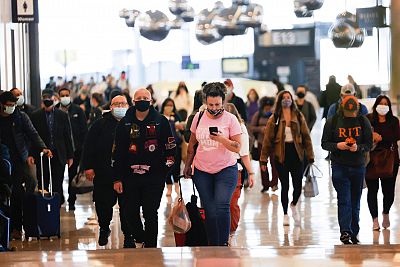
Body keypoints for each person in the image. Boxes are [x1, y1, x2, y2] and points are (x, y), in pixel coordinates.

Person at [113, 88, 176, 248]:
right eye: (139, 98)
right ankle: (140, 237)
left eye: (145, 98)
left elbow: (170, 149)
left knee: (150, 212)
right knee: (130, 212)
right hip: (129, 177)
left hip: (153, 177)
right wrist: (117, 178)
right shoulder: (124, 123)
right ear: (133, 102)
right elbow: (118, 152)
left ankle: (151, 248)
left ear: (151, 101)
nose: (142, 100)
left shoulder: (161, 121)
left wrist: (163, 172)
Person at [183, 82, 242, 246]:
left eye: (217, 104)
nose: (214, 107)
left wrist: (221, 139)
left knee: (222, 205)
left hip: (226, 169)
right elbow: (192, 145)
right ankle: (213, 245)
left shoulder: (231, 119)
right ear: (205, 102)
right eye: (210, 104)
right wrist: (187, 166)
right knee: (209, 210)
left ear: (223, 101)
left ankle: (222, 244)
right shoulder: (198, 117)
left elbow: (238, 147)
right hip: (202, 170)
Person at [321, 95, 373, 244]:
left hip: (358, 166)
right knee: (344, 199)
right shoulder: (333, 122)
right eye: (348, 113)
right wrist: (338, 145)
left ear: (357, 109)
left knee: (355, 201)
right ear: (342, 109)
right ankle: (345, 231)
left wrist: (359, 148)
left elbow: (369, 144)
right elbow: (324, 143)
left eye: (353, 112)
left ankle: (354, 232)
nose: (351, 115)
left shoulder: (363, 121)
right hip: (339, 166)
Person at [0, 91, 51, 240]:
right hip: (2, 160)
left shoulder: (21, 116)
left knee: (16, 193)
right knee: (3, 194)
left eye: (14, 105)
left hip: (17, 160)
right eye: (9, 106)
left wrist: (43, 147)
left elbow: (32, 133)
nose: (12, 108)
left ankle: (16, 227)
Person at [83, 95, 132, 246]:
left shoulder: (132, 123)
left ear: (128, 106)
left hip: (127, 173)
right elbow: (88, 146)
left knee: (128, 206)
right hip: (104, 172)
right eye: (116, 104)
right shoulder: (100, 124)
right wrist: (88, 167)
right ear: (110, 107)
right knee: (103, 204)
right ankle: (104, 228)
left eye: (123, 104)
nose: (120, 106)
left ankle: (128, 236)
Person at [260, 91, 314, 226]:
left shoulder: (298, 115)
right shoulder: (275, 118)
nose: (286, 100)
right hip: (281, 156)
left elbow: (306, 136)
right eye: (283, 98)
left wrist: (311, 155)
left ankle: (293, 204)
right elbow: (267, 140)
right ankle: (284, 214)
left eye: (288, 97)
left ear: (292, 99)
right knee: (285, 186)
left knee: (297, 185)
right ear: (279, 100)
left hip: (297, 154)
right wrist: (263, 159)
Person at [30, 89, 74, 206]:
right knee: (43, 182)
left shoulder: (62, 115)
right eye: (46, 101)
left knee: (57, 182)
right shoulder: (35, 116)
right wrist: (32, 154)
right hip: (42, 155)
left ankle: (56, 206)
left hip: (59, 153)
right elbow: (32, 137)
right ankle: (43, 205)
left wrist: (70, 156)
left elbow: (67, 136)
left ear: (55, 101)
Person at [365, 95, 400, 230]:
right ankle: (374, 219)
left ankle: (386, 212)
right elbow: (362, 134)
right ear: (376, 105)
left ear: (389, 107)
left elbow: (396, 136)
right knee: (372, 191)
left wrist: (380, 137)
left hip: (390, 160)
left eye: (386, 104)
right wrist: (371, 136)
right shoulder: (368, 119)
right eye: (381, 103)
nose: (383, 106)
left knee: (389, 192)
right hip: (371, 160)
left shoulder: (394, 121)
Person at [224, 103, 254, 241]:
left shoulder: (241, 129)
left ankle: (231, 233)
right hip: (215, 168)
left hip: (235, 169)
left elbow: (244, 154)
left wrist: (251, 173)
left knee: (232, 203)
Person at [57, 87, 88, 210]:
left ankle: (72, 201)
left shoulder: (78, 110)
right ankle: (59, 199)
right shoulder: (56, 110)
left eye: (66, 95)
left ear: (70, 96)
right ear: (59, 97)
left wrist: (83, 148)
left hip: (75, 150)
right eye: (62, 95)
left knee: (73, 176)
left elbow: (84, 130)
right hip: (60, 150)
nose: (65, 97)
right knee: (58, 177)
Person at [249, 96, 279, 193]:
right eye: (266, 107)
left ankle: (274, 183)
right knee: (263, 164)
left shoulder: (276, 115)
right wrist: (261, 129)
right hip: (262, 144)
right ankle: (265, 185)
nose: (268, 109)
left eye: (269, 107)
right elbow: (251, 127)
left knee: (275, 165)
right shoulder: (258, 115)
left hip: (274, 144)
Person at [160, 98, 184, 196]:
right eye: (167, 105)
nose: (169, 107)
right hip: (164, 147)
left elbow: (182, 131)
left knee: (176, 167)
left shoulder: (176, 117)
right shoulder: (160, 117)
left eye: (171, 105)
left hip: (176, 145)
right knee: (167, 167)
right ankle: (169, 187)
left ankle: (177, 186)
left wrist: (180, 127)